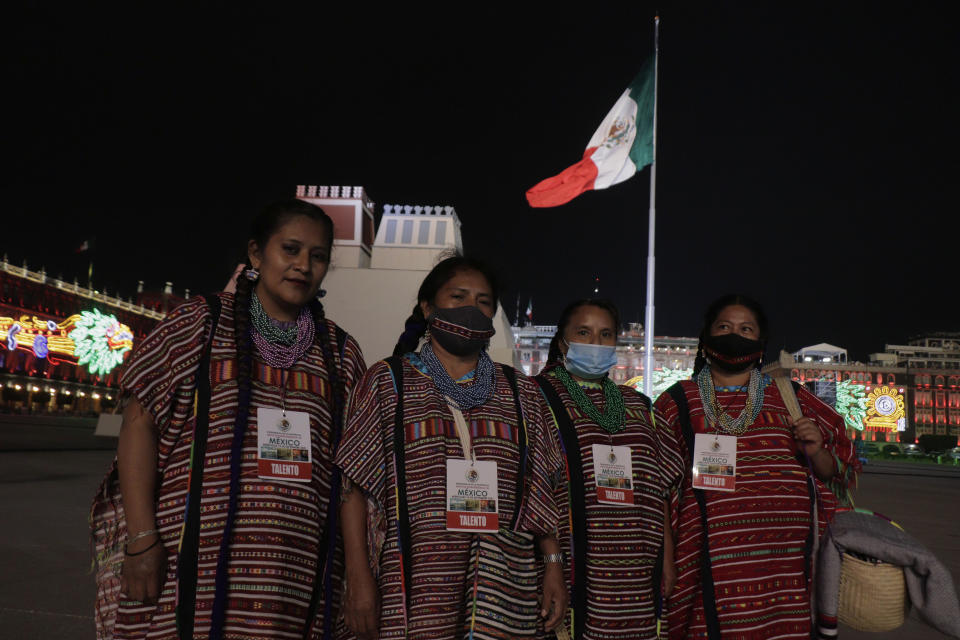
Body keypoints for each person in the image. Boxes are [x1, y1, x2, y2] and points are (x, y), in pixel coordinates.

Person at [90, 199, 366, 640]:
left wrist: (359, 577)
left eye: (317, 257)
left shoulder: (341, 353)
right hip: (191, 571)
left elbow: (350, 476)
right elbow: (138, 424)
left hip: (300, 580)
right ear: (256, 254)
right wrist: (143, 540)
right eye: (290, 250)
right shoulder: (198, 324)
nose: (302, 266)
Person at [335, 255, 568, 639]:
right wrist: (358, 578)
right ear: (428, 307)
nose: (471, 310)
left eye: (483, 302)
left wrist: (554, 565)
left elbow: (543, 493)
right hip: (413, 586)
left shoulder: (522, 392)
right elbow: (354, 491)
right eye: (458, 297)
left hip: (507, 590)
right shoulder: (387, 382)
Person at [654, 294, 860, 640]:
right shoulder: (676, 401)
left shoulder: (791, 397)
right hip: (706, 564)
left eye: (746, 329)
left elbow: (834, 472)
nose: (735, 335)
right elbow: (657, 486)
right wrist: (665, 557)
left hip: (787, 568)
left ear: (760, 344)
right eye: (725, 327)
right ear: (705, 340)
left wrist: (817, 449)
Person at [534, 299, 684, 640]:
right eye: (583, 333)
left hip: (637, 569)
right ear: (563, 341)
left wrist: (667, 557)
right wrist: (552, 562)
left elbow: (659, 489)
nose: (595, 343)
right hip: (571, 567)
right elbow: (533, 492)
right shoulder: (537, 399)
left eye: (605, 334)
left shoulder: (640, 407)